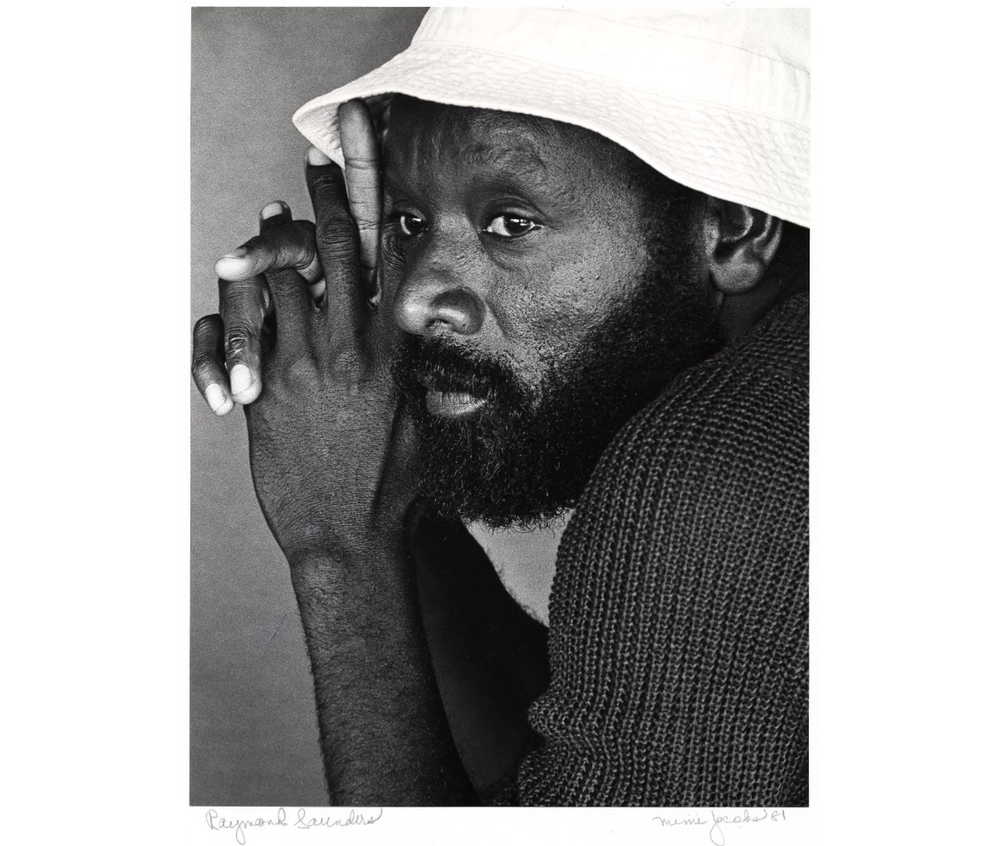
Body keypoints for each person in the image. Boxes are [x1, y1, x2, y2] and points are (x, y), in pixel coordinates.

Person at [191, 7, 811, 807]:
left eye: (511, 224)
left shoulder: (716, 477)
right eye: (410, 223)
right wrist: (394, 479)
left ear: (731, 228)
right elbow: (545, 780)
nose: (411, 302)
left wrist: (340, 550)